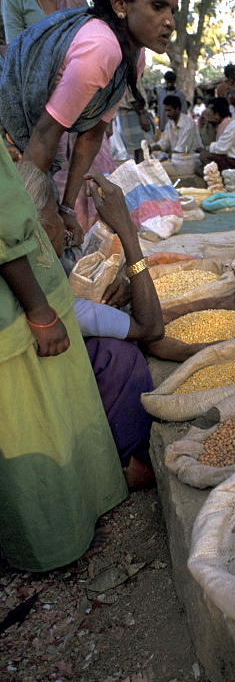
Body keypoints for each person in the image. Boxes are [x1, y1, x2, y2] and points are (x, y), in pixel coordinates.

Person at [0, 136, 126, 571]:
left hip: (29, 307)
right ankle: (57, 542)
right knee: (37, 433)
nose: (64, 229)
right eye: (53, 218)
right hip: (20, 317)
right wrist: (38, 310)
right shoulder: (54, 295)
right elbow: (6, 229)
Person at [0, 0, 179, 247]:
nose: (169, 22)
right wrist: (29, 222)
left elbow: (92, 135)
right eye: (158, 7)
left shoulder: (135, 58)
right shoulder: (100, 47)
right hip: (16, 135)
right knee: (20, 237)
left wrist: (66, 208)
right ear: (120, 3)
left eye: (173, 11)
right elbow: (45, 136)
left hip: (37, 141)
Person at [18, 162, 163, 488]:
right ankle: (130, 463)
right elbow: (151, 327)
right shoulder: (49, 303)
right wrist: (126, 229)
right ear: (40, 228)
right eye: (58, 214)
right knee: (118, 355)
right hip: (33, 426)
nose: (65, 225)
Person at [198, 96, 235, 173]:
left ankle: (217, 178)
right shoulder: (219, 125)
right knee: (198, 168)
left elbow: (221, 149)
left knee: (204, 156)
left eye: (210, 113)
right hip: (228, 159)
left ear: (217, 114)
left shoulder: (231, 126)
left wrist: (207, 148)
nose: (208, 115)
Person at [150, 94, 201, 160]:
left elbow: (181, 149)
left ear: (177, 109)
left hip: (190, 159)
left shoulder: (188, 123)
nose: (167, 114)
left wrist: (166, 157)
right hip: (176, 158)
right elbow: (164, 143)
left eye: (169, 110)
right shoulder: (169, 123)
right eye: (166, 110)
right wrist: (151, 148)